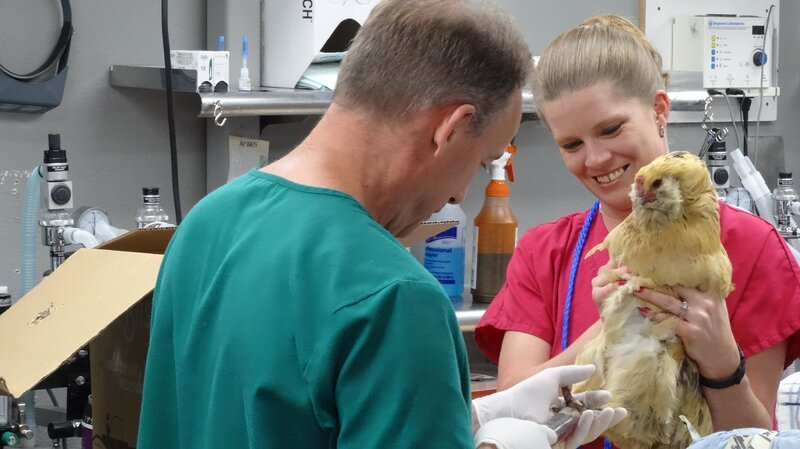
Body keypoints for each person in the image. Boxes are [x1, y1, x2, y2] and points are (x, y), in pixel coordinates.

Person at [137, 2, 625, 449]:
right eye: (480, 162)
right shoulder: (393, 297)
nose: (458, 196)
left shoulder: (206, 224)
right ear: (450, 128)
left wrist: (470, 417)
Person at [475, 14, 800, 449]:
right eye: (571, 144)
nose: (595, 159)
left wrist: (722, 361)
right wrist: (609, 330)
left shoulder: (755, 248)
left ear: (659, 109)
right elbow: (513, 408)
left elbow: (755, 439)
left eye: (611, 129)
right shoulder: (546, 251)